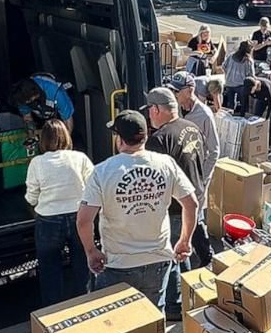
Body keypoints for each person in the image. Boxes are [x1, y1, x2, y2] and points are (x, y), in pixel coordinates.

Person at [77, 111, 197, 305]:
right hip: (158, 260)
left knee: (115, 325)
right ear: (146, 135)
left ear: (119, 139)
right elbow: (191, 203)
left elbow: (83, 220)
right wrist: (185, 241)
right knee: (153, 323)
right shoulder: (166, 163)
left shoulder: (102, 171)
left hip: (119, 264)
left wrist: (91, 252)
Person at [146, 87, 210, 312]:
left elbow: (155, 179)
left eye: (149, 110)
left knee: (174, 255)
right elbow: (207, 155)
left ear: (155, 110)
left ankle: (175, 305)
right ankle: (188, 297)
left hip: (175, 208)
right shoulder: (192, 127)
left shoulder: (159, 139)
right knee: (185, 251)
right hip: (196, 198)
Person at [24, 118, 95, 306]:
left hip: (48, 221)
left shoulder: (37, 163)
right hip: (79, 217)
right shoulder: (80, 158)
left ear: (43, 140)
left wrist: (32, 207)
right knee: (83, 264)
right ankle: (85, 304)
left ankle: (53, 312)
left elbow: (31, 195)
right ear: (66, 137)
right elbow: (94, 186)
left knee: (49, 269)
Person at [169, 70, 219, 217]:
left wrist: (201, 178)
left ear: (190, 90)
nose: (174, 94)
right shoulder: (175, 109)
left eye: (177, 90)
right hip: (180, 170)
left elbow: (214, 151)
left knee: (194, 216)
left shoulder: (204, 115)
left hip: (197, 173)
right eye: (172, 90)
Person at [245, 75, 271, 145]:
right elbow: (243, 102)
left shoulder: (265, 87)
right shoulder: (247, 87)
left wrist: (267, 118)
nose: (250, 92)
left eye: (251, 90)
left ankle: (270, 142)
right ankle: (255, 137)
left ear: (254, 86)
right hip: (262, 99)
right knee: (256, 117)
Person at [222, 41, 253, 111]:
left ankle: (229, 119)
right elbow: (251, 74)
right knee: (243, 105)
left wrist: (227, 75)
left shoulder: (231, 56)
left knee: (230, 105)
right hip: (241, 85)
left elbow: (223, 67)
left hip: (229, 83)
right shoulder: (248, 60)